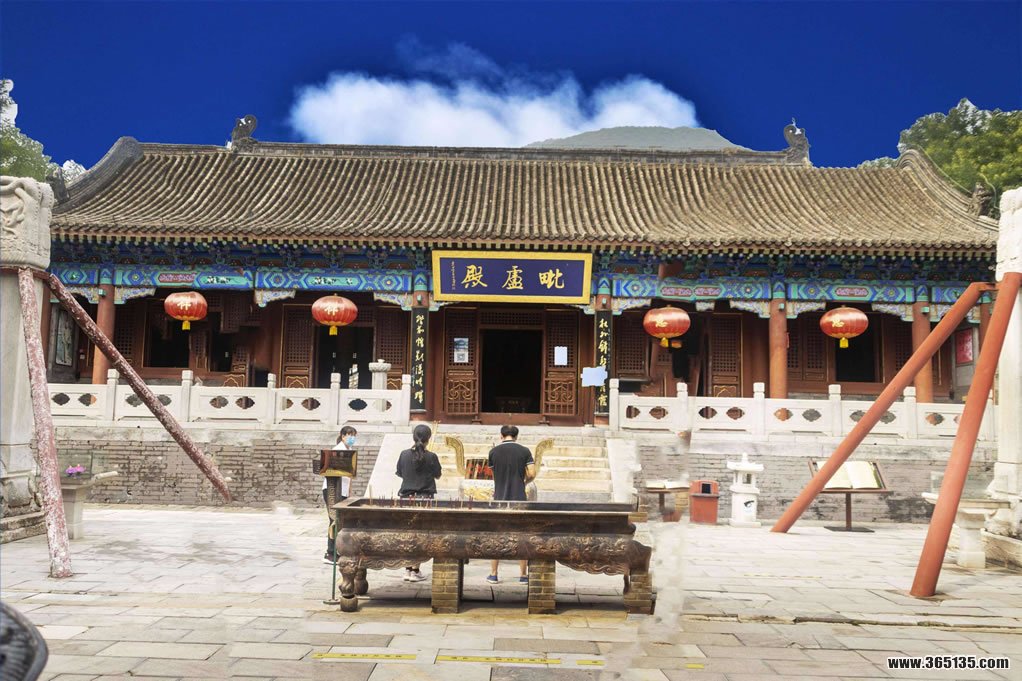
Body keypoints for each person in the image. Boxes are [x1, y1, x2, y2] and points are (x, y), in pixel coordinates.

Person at [487, 425, 536, 584]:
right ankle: (523, 575)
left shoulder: (493, 452)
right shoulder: (524, 451)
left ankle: (494, 574)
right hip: (519, 498)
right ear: (516, 436)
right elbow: (532, 473)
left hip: (499, 499)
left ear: (501, 435)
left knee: (496, 536)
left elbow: (494, 475)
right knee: (522, 536)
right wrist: (524, 481)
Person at [395, 424, 442, 582]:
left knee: (408, 533)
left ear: (413, 437)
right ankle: (415, 570)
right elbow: (438, 475)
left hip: (406, 498)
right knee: (420, 534)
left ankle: (408, 569)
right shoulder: (431, 456)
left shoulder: (403, 454)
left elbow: (400, 473)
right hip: (424, 498)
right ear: (428, 438)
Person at [323, 425, 357, 564]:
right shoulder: (337, 451)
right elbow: (329, 471)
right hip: (332, 489)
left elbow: (349, 476)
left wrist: (349, 492)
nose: (352, 438)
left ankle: (338, 550)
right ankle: (330, 553)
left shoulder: (350, 451)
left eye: (354, 435)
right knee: (334, 520)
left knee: (340, 521)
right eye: (349, 435)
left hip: (342, 491)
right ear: (343, 436)